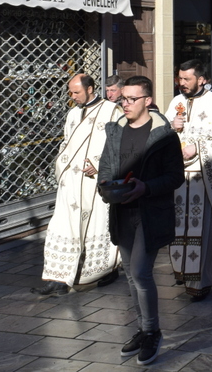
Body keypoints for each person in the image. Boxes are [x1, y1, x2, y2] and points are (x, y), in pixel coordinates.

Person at [97, 76, 184, 365]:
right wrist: (106, 185)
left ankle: (152, 332)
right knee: (130, 275)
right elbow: (106, 167)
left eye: (132, 99)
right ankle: (142, 328)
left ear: (147, 100)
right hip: (122, 210)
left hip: (150, 213)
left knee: (140, 272)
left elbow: (175, 177)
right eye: (123, 98)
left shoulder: (164, 136)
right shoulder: (115, 131)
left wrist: (145, 187)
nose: (125, 104)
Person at [33, 74, 121, 296]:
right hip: (70, 183)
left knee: (94, 227)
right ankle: (57, 277)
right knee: (62, 227)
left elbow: (118, 145)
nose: (72, 96)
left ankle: (104, 271)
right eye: (70, 92)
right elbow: (66, 142)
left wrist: (100, 166)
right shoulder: (72, 113)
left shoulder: (111, 110)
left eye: (76, 92)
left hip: (94, 183)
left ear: (90, 89)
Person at [164, 60, 212, 301]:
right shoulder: (176, 102)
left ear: (202, 80)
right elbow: (161, 136)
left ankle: (200, 282)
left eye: (187, 79)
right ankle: (183, 272)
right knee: (177, 228)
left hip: (203, 177)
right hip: (177, 177)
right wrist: (170, 126)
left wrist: (198, 147)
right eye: (180, 78)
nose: (182, 83)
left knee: (200, 231)